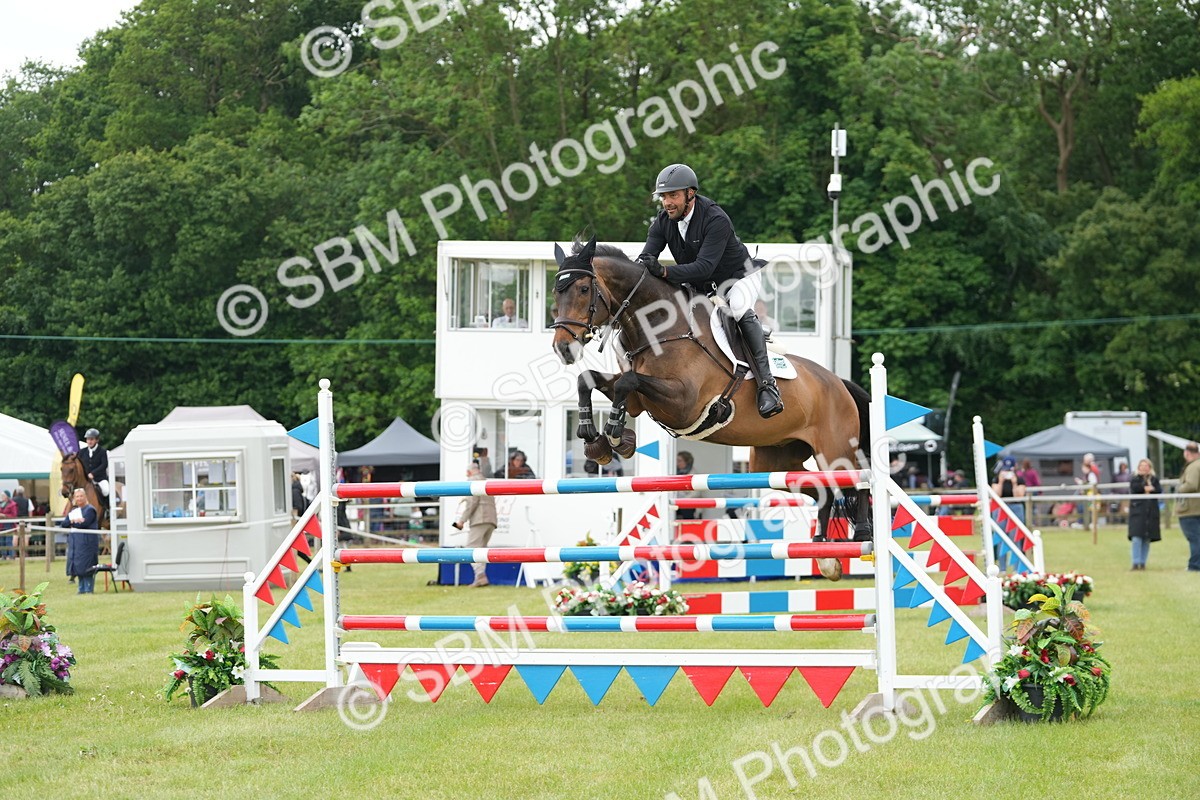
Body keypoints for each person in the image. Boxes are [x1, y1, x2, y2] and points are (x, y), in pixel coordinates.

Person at [636, 163, 782, 418]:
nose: (667, 202)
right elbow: (646, 258)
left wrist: (664, 272)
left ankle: (768, 386)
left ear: (690, 194)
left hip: (737, 278)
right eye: (663, 197)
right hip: (701, 285)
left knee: (737, 309)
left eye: (673, 196)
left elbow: (704, 267)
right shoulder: (662, 221)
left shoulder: (715, 219)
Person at [452, 466, 497, 586]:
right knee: (481, 550)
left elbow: (472, 502)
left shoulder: (472, 481)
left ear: (468, 472)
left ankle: (480, 575)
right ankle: (480, 577)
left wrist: (462, 521)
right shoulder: (485, 481)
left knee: (470, 549)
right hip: (491, 520)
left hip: (479, 519)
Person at [59, 487, 99, 594]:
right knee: (78, 566)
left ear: (85, 497)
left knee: (87, 566)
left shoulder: (90, 510)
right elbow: (64, 524)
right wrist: (75, 521)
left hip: (87, 543)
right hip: (76, 544)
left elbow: (84, 524)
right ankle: (81, 589)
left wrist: (73, 522)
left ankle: (88, 589)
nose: (79, 498)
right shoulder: (74, 511)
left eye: (81, 496)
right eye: (77, 496)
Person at [1127, 459, 1161, 571]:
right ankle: (1135, 562)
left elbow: (1158, 490)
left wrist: (1150, 488)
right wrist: (1146, 488)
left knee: (1146, 538)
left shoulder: (1154, 479)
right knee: (1137, 538)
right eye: (1142, 465)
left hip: (1150, 513)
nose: (1144, 468)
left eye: (1146, 466)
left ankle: (1143, 563)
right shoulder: (1135, 479)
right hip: (1138, 513)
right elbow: (1136, 489)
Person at [1177, 442, 1200, 572]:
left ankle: (1195, 565)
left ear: (1187, 453)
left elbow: (1191, 484)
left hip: (1190, 508)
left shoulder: (1193, 466)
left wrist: (1180, 489)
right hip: (1197, 508)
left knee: (1194, 538)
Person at [992, 456, 1027, 526]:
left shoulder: (1019, 480)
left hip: (1015, 506)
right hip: (1000, 506)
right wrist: (1000, 482)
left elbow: (1019, 497)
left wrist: (1014, 484)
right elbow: (996, 496)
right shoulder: (996, 479)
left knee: (1016, 531)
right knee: (1000, 529)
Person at [676, 451, 697, 520]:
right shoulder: (674, 471)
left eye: (679, 461)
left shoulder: (694, 475)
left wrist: (682, 501)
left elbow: (695, 494)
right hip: (675, 502)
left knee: (687, 510)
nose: (677, 463)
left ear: (687, 462)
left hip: (688, 503)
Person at [0, 491, 15, 559]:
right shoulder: (0, 504)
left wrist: (4, 515)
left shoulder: (12, 504)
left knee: (8, 541)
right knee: (1, 541)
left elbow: (14, 515)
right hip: (1, 525)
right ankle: (4, 555)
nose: (2, 497)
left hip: (9, 524)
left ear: (7, 496)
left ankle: (12, 555)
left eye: (3, 495)